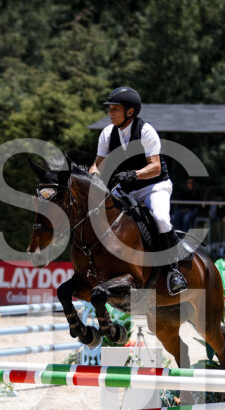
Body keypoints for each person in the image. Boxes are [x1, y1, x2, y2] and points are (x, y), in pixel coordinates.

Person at [89, 86, 187, 295]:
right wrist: (93, 178)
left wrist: (133, 174)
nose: (110, 113)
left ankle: (174, 271)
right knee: (97, 213)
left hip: (153, 186)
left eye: (115, 109)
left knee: (160, 218)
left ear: (130, 111)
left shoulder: (145, 131)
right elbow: (97, 165)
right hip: (126, 189)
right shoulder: (107, 133)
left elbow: (155, 167)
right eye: (110, 109)